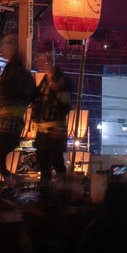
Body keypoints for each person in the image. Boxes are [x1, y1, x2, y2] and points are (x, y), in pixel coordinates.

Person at [0, 51, 36, 185]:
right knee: (9, 144)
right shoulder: (25, 76)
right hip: (16, 118)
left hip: (6, 117)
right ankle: (5, 172)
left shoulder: (7, 74)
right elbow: (32, 94)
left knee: (3, 147)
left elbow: (1, 92)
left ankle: (4, 171)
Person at [33, 52, 73, 186]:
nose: (40, 64)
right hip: (43, 127)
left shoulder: (63, 82)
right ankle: (45, 189)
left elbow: (65, 106)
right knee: (42, 159)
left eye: (42, 61)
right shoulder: (45, 79)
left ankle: (63, 188)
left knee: (56, 160)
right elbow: (37, 96)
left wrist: (57, 124)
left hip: (56, 128)